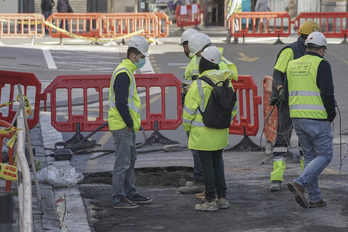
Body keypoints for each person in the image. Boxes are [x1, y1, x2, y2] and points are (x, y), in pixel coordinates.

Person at [179, 32, 238, 198]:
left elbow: (188, 112)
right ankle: (222, 198)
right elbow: (232, 105)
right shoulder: (226, 81)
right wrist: (225, 121)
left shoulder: (198, 85)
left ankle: (210, 199)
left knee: (207, 165)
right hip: (220, 130)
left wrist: (189, 129)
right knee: (218, 163)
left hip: (202, 133)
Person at [269, 20, 321, 192]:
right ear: (303, 37)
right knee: (282, 139)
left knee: (304, 142)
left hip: (303, 104)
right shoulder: (290, 50)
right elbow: (278, 72)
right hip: (286, 103)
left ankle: (304, 178)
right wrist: (280, 88)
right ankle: (276, 177)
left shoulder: (314, 50)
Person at [287, 31, 336, 208]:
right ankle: (300, 182)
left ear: (307, 47)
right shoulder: (322, 64)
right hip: (317, 118)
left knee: (310, 157)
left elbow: (286, 91)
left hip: (298, 118)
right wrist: (330, 115)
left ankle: (315, 197)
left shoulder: (292, 64)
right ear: (322, 49)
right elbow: (327, 93)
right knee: (325, 155)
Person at [108, 35, 153, 209]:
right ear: (133, 56)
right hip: (122, 126)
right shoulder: (123, 73)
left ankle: (130, 193)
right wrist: (128, 122)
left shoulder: (127, 71)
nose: (142, 61)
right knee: (122, 163)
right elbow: (121, 102)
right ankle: (118, 198)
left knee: (130, 160)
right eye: (141, 58)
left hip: (127, 125)